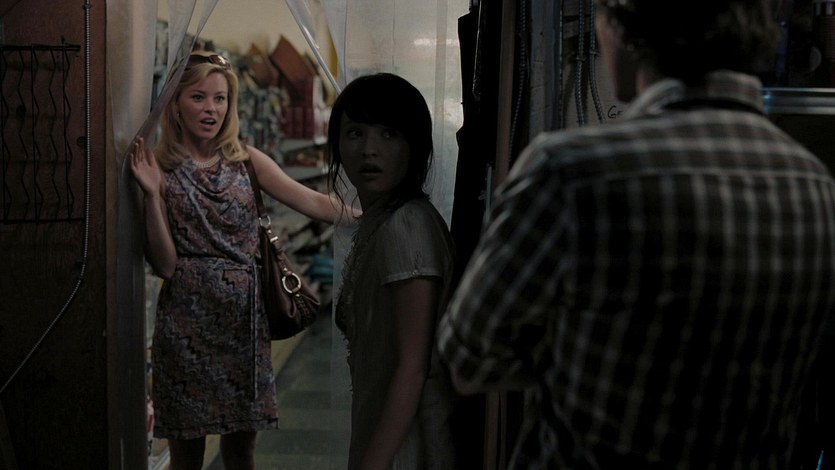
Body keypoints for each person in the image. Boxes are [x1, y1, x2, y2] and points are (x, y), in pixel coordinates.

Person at [438, 1, 835, 468]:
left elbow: (468, 355)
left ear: (625, 35)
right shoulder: (817, 187)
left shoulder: (571, 172)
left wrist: (585, 346)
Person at [129, 50, 357, 470]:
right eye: (198, 97)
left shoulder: (245, 159)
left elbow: (310, 201)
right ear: (175, 104)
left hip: (242, 327)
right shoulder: (158, 168)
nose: (211, 109)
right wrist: (150, 195)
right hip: (186, 327)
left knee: (241, 452)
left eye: (220, 98)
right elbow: (164, 264)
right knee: (186, 455)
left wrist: (369, 214)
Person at [328, 73, 458, 470]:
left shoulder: (406, 226)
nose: (370, 150)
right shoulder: (383, 218)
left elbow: (412, 368)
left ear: (414, 145)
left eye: (389, 134)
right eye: (355, 133)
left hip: (406, 446)